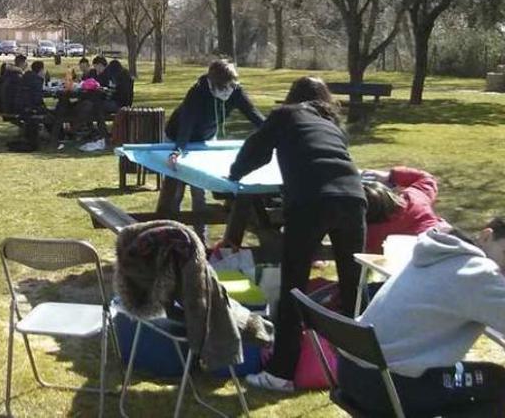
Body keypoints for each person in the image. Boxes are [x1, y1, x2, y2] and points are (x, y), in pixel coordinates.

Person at [228, 76, 367, 392]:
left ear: (292, 97)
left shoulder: (285, 115)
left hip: (311, 200)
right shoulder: (331, 124)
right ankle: (361, 370)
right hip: (354, 199)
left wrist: (234, 174)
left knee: (295, 287)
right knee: (353, 289)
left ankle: (281, 373)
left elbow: (256, 151)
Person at [339, 220, 505, 416]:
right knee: (498, 384)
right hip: (387, 387)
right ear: (486, 236)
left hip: (353, 373)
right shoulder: (478, 272)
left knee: (491, 377)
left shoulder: (438, 253)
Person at [157, 59, 265, 241]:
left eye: (230, 85)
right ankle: (168, 236)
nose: (227, 90)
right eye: (223, 87)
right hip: (178, 136)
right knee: (176, 191)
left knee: (199, 191)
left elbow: (254, 115)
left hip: (205, 139)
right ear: (213, 83)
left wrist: (277, 132)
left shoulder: (236, 91)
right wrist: (177, 151)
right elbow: (186, 124)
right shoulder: (197, 92)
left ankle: (200, 240)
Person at [361, 166, 450, 253]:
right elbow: (426, 178)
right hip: (450, 244)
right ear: (389, 193)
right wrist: (390, 176)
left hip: (412, 263)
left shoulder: (367, 235)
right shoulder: (416, 198)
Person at [77, 59, 135, 152]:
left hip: (119, 104)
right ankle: (98, 131)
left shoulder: (123, 78)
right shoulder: (121, 75)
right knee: (95, 106)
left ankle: (101, 133)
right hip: (119, 102)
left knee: (96, 106)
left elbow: (119, 94)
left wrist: (108, 92)